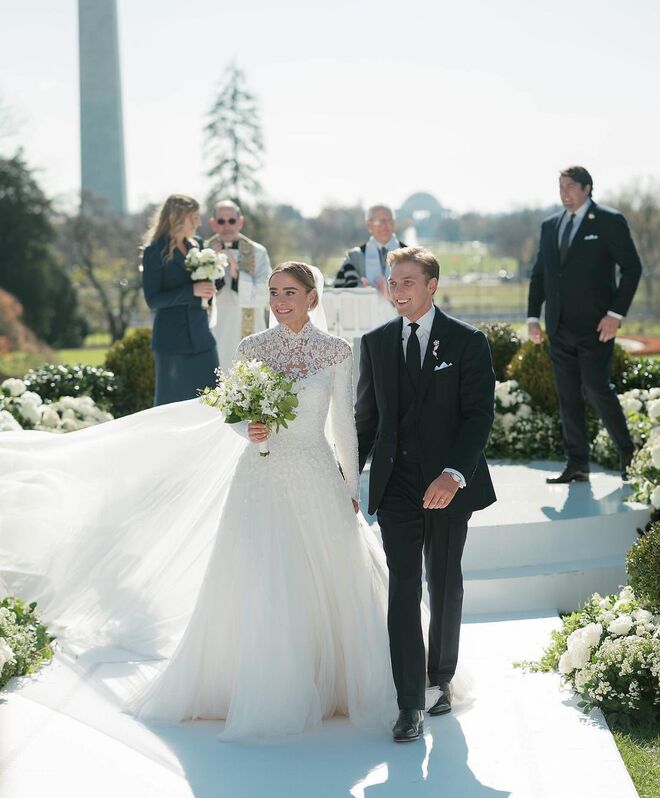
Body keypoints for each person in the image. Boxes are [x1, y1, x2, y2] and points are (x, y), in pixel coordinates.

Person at [0, 262, 396, 741]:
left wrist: (351, 487)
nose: (279, 300)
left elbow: (344, 428)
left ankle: (331, 681)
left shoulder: (336, 351)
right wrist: (247, 429)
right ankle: (266, 683)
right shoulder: (252, 347)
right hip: (261, 474)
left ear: (312, 297)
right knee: (263, 575)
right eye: (273, 292)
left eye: (290, 292)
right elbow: (233, 411)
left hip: (315, 471)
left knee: (329, 575)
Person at [355, 246, 496, 742]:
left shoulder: (467, 341)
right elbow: (367, 419)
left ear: (432, 285)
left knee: (444, 581)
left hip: (449, 487)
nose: (398, 291)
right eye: (393, 283)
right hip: (395, 487)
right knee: (403, 589)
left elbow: (479, 415)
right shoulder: (374, 343)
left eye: (407, 282)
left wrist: (453, 474)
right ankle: (409, 701)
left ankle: (442, 679)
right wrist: (349, 477)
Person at [527, 166, 642, 483]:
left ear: (587, 189)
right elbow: (541, 275)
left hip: (597, 327)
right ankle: (577, 463)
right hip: (559, 327)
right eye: (560, 186)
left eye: (570, 186)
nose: (564, 192)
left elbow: (632, 269)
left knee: (595, 388)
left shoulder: (608, 221)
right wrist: (533, 317)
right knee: (568, 395)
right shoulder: (550, 226)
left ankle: (628, 453)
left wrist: (615, 314)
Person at [142, 194, 219, 405]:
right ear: (177, 218)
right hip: (171, 343)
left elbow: (204, 286)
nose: (198, 222)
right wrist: (191, 291)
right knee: (171, 406)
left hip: (202, 339)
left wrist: (211, 288)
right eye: (193, 217)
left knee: (214, 403)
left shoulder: (199, 245)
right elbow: (153, 300)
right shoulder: (154, 252)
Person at [206, 200, 271, 373]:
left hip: (249, 331)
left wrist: (237, 277)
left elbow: (266, 293)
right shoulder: (203, 252)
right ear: (213, 224)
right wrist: (215, 272)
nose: (226, 226)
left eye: (231, 221)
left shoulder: (257, 252)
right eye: (221, 221)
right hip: (215, 329)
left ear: (240, 222)